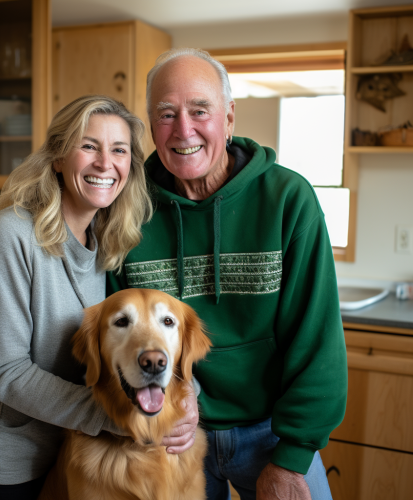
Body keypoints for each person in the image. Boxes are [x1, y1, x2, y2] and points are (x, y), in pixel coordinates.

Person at [108, 48, 348, 500]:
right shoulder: (127, 208)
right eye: (166, 114)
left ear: (229, 117)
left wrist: (293, 456)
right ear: (150, 124)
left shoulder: (287, 199)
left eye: (200, 110)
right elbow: (118, 335)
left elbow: (317, 341)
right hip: (170, 431)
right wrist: (173, 404)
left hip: (272, 433)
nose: (184, 129)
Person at [0, 95, 154, 499]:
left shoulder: (107, 243)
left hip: (74, 454)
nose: (105, 163)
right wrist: (117, 416)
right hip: (9, 468)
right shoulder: (12, 234)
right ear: (59, 157)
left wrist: (179, 398)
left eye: (119, 150)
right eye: (88, 146)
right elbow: (4, 372)